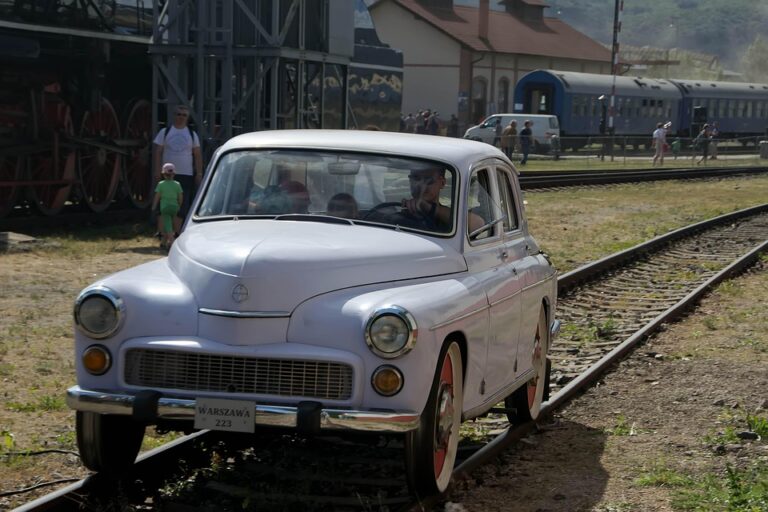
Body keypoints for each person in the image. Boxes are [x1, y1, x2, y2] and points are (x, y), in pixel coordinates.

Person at [153, 105, 203, 221]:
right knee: (165, 202)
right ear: (174, 116)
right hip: (166, 174)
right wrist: (156, 171)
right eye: (179, 114)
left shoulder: (192, 134)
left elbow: (197, 154)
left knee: (182, 204)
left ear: (187, 118)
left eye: (184, 115)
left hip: (186, 174)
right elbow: (158, 152)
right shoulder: (164, 132)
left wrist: (199, 173)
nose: (181, 117)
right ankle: (164, 230)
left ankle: (178, 231)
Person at [151, 163, 183, 250]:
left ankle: (173, 245)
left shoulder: (161, 184)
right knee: (170, 225)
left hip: (165, 208)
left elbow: (157, 196)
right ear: (174, 174)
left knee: (168, 226)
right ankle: (163, 243)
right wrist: (179, 206)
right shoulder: (177, 184)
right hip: (175, 207)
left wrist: (154, 206)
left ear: (163, 174)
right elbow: (180, 197)